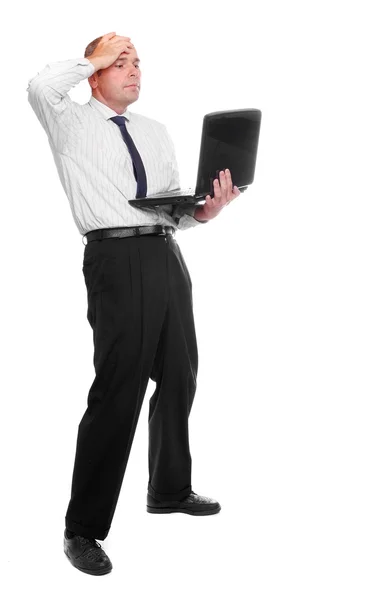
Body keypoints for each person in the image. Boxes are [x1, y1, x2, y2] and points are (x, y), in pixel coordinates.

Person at [27, 31, 241, 576]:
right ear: (94, 73)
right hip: (114, 262)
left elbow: (173, 210)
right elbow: (39, 86)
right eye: (120, 62)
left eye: (138, 62)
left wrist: (206, 212)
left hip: (164, 256)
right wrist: (93, 56)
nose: (134, 70)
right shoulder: (70, 121)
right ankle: (83, 528)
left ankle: (169, 489)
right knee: (118, 388)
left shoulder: (155, 131)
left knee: (180, 375)